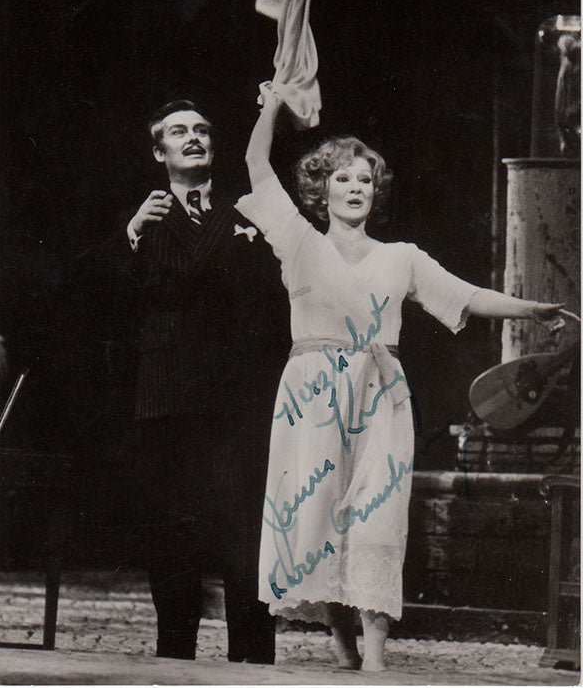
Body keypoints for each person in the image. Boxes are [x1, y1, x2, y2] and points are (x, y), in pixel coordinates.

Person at [235, 88, 564, 672]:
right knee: (317, 517)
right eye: (341, 178)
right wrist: (273, 106)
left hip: (380, 394)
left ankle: (375, 657)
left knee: (376, 518)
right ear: (320, 190)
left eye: (364, 179)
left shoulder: (401, 257)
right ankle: (341, 640)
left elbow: (465, 295)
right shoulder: (298, 241)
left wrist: (529, 309)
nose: (354, 187)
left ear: (376, 190)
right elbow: (257, 164)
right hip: (312, 395)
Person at [87, 99, 282, 664]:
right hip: (165, 396)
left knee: (244, 532)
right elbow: (97, 301)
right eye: (178, 132)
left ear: (213, 146)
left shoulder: (246, 213)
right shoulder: (141, 219)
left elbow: (274, 302)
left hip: (235, 399)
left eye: (201, 130)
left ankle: (253, 663)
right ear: (159, 152)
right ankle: (174, 661)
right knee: (172, 533)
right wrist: (129, 236)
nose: (193, 137)